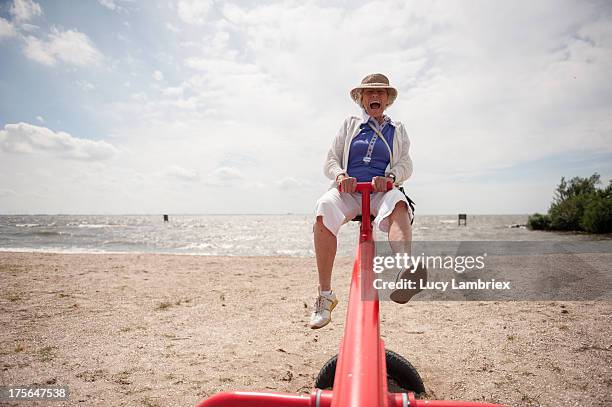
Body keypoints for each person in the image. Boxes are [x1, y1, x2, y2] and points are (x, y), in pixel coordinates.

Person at [310, 73, 425, 329]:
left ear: (387, 100)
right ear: (361, 99)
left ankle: (406, 271)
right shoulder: (350, 124)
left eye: (380, 92)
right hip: (349, 192)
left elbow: (406, 163)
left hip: (380, 192)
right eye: (369, 92)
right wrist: (341, 175)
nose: (375, 96)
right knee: (323, 208)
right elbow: (330, 159)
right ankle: (325, 295)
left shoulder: (398, 129)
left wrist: (391, 177)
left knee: (398, 203)